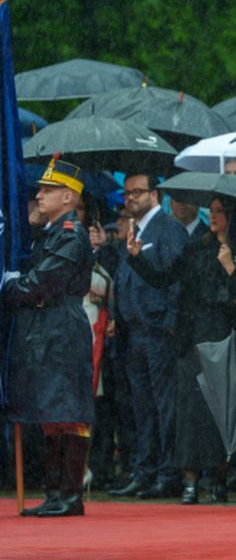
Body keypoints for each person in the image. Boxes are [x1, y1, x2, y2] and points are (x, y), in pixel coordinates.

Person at [2, 157, 95, 517]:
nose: (39, 196)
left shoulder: (70, 234)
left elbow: (43, 282)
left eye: (48, 190)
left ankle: (70, 495)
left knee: (68, 408)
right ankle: (55, 493)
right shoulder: (52, 232)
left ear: (68, 197)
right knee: (50, 410)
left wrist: (11, 286)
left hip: (62, 325)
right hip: (47, 325)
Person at [173, 195, 236, 504]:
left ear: (232, 216)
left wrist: (230, 267)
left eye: (219, 211)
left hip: (227, 336)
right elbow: (169, 279)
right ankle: (190, 480)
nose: (213, 216)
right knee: (190, 410)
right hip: (195, 337)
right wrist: (136, 258)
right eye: (211, 210)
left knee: (222, 410)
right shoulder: (196, 247)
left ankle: (219, 477)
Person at [109, 172, 189, 499]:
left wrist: (169, 323)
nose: (131, 198)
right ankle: (144, 471)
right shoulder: (135, 230)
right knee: (141, 406)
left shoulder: (169, 229)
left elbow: (176, 279)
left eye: (138, 192)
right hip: (133, 331)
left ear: (155, 195)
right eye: (127, 193)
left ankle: (167, 473)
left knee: (163, 405)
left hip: (157, 331)